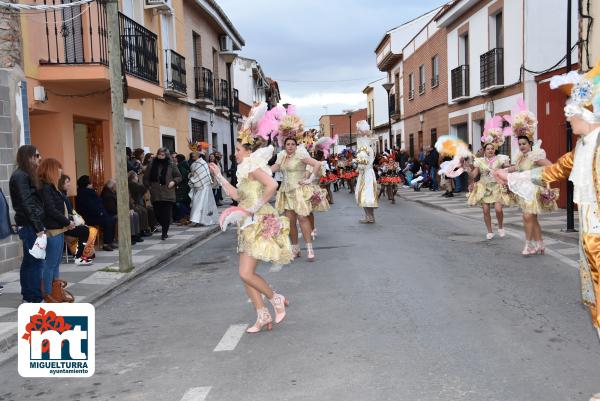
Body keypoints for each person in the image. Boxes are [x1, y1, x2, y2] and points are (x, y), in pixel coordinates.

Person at [496, 65, 600, 401]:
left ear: (587, 115)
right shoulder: (582, 148)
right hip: (590, 236)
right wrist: (512, 179)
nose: (568, 120)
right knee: (596, 308)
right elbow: (552, 172)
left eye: (571, 114)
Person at [209, 107, 292, 333]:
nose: (234, 153)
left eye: (237, 149)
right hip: (245, 224)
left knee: (246, 273)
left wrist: (255, 208)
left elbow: (272, 185)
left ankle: (275, 298)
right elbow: (236, 195)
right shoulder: (244, 169)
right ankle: (262, 315)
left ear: (247, 150)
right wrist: (218, 176)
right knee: (246, 275)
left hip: (257, 222)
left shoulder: (253, 166)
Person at [504, 101, 555, 255]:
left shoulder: (536, 155)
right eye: (519, 144)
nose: (521, 146)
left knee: (527, 216)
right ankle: (540, 244)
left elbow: (551, 167)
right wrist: (502, 170)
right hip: (524, 192)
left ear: (530, 143)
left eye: (524, 143)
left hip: (533, 191)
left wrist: (544, 182)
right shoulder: (520, 157)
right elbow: (516, 168)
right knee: (532, 218)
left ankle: (528, 245)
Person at [271, 135, 323, 261]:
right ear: (284, 146)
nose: (290, 146)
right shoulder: (281, 157)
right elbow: (273, 169)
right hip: (286, 192)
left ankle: (310, 250)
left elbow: (316, 164)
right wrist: (258, 171)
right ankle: (295, 249)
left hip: (299, 191)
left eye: (293, 144)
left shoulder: (300, 155)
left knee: (303, 218)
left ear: (296, 146)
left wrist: (309, 180)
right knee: (290, 222)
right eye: (288, 144)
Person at [465, 116, 512, 240]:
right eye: (488, 149)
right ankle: (490, 231)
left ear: (494, 150)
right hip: (484, 187)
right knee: (486, 210)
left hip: (497, 187)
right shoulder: (480, 161)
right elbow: (474, 175)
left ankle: (501, 226)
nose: (490, 150)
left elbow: (508, 169)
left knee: (498, 209)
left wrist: (509, 171)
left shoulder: (501, 159)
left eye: (492, 148)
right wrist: (467, 169)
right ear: (484, 151)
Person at [9, 145, 45, 303]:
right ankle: (34, 298)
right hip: (31, 226)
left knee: (30, 262)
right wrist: (39, 228)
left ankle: (29, 297)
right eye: (37, 155)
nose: (40, 158)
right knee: (35, 263)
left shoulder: (24, 175)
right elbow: (27, 204)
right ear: (28, 157)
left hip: (31, 224)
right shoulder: (21, 176)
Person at [38, 158, 75, 302]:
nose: (61, 171)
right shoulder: (46, 188)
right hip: (53, 230)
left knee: (55, 263)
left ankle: (56, 291)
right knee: (51, 264)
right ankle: (48, 294)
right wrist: (67, 222)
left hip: (58, 229)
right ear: (52, 170)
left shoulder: (51, 187)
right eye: (59, 168)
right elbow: (51, 210)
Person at [143, 147, 182, 240]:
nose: (160, 156)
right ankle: (163, 226)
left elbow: (178, 176)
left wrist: (174, 182)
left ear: (166, 155)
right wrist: (149, 186)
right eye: (159, 154)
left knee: (166, 215)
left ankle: (164, 233)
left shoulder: (171, 164)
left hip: (168, 193)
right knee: (157, 214)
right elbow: (146, 178)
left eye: (163, 154)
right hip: (156, 194)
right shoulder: (152, 164)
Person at [58, 174, 95, 265]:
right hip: (63, 226)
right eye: (67, 182)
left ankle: (82, 254)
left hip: (67, 223)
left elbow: (71, 212)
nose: (69, 184)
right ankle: (79, 256)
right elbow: (67, 213)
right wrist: (75, 223)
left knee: (86, 229)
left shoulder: (64, 195)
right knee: (84, 231)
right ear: (61, 184)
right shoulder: (61, 196)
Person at [76, 175, 117, 251]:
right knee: (108, 221)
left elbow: (97, 204)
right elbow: (90, 206)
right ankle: (106, 243)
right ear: (87, 184)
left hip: (95, 214)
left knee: (111, 219)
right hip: (89, 216)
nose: (92, 184)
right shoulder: (84, 193)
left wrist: (102, 212)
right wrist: (101, 213)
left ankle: (110, 241)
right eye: (90, 183)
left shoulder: (88, 192)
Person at [101, 179, 143, 244]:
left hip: (117, 212)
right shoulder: (107, 195)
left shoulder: (113, 193)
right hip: (112, 214)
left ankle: (136, 235)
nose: (117, 187)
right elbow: (112, 209)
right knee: (130, 216)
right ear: (112, 187)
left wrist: (127, 210)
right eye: (116, 186)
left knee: (135, 214)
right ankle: (129, 237)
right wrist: (125, 212)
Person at [355, 120, 378, 223]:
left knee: (364, 194)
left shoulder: (364, 148)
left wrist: (356, 164)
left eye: (358, 130)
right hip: (369, 173)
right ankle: (370, 217)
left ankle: (368, 217)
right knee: (369, 195)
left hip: (365, 174)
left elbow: (362, 164)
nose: (357, 132)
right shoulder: (369, 148)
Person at [188, 148, 218, 227]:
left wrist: (193, 179)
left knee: (200, 203)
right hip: (197, 187)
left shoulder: (203, 163)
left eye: (194, 153)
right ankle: (198, 220)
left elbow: (203, 175)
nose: (192, 155)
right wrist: (191, 176)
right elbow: (194, 174)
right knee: (197, 203)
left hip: (203, 187)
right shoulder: (195, 163)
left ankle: (199, 220)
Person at [128, 171, 154, 236]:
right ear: (133, 178)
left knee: (149, 209)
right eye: (136, 176)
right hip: (135, 203)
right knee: (142, 211)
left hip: (138, 203)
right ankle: (143, 230)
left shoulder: (135, 184)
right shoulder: (132, 184)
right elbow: (143, 189)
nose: (137, 177)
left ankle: (150, 227)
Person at [174, 154, 191, 224]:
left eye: (175, 158)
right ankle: (186, 217)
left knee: (180, 203)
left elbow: (181, 178)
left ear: (178, 159)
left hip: (181, 188)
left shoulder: (180, 167)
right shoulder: (186, 165)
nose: (174, 159)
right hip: (186, 188)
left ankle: (184, 218)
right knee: (184, 202)